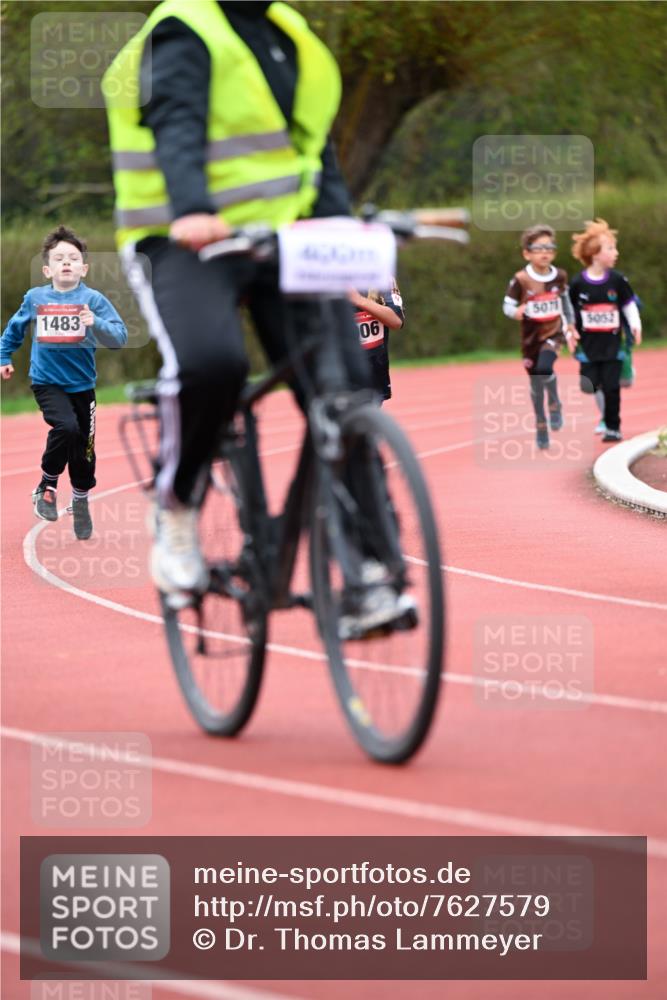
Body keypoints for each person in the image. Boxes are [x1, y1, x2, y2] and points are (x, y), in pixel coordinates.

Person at [102, 1, 409, 632]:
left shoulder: (293, 41)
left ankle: (374, 575)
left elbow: (312, 157)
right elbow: (175, 125)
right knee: (215, 363)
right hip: (180, 238)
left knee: (344, 391)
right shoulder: (187, 28)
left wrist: (342, 223)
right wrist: (191, 207)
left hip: (276, 241)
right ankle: (178, 506)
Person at [0, 225, 128, 539]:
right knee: (66, 428)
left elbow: (119, 337)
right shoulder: (35, 298)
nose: (66, 263)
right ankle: (47, 484)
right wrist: (4, 357)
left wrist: (94, 322)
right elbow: (13, 331)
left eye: (73, 258)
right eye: (59, 259)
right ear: (48, 268)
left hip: (83, 386)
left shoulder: (93, 300)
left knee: (84, 451)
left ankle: (81, 502)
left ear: (84, 268)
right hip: (47, 382)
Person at [502, 224, 577, 449]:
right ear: (527, 253)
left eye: (550, 248)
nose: (545, 252)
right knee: (535, 383)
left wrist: (570, 324)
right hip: (530, 339)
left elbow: (565, 301)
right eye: (539, 248)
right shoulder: (521, 279)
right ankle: (541, 424)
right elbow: (507, 305)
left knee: (545, 368)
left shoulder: (560, 276)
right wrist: (517, 312)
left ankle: (555, 404)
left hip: (553, 334)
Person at [568, 219, 642, 442]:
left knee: (611, 387)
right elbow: (569, 311)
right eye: (610, 248)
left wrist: (636, 325)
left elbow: (629, 305)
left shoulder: (618, 281)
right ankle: (609, 410)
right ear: (594, 253)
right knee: (589, 385)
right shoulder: (578, 283)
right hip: (588, 345)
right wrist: (569, 332)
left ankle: (612, 426)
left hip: (612, 345)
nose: (615, 252)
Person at [349, 280, 405, 402]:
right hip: (335, 374)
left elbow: (396, 320)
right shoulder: (325, 275)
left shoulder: (382, 276)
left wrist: (359, 300)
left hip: (372, 376)